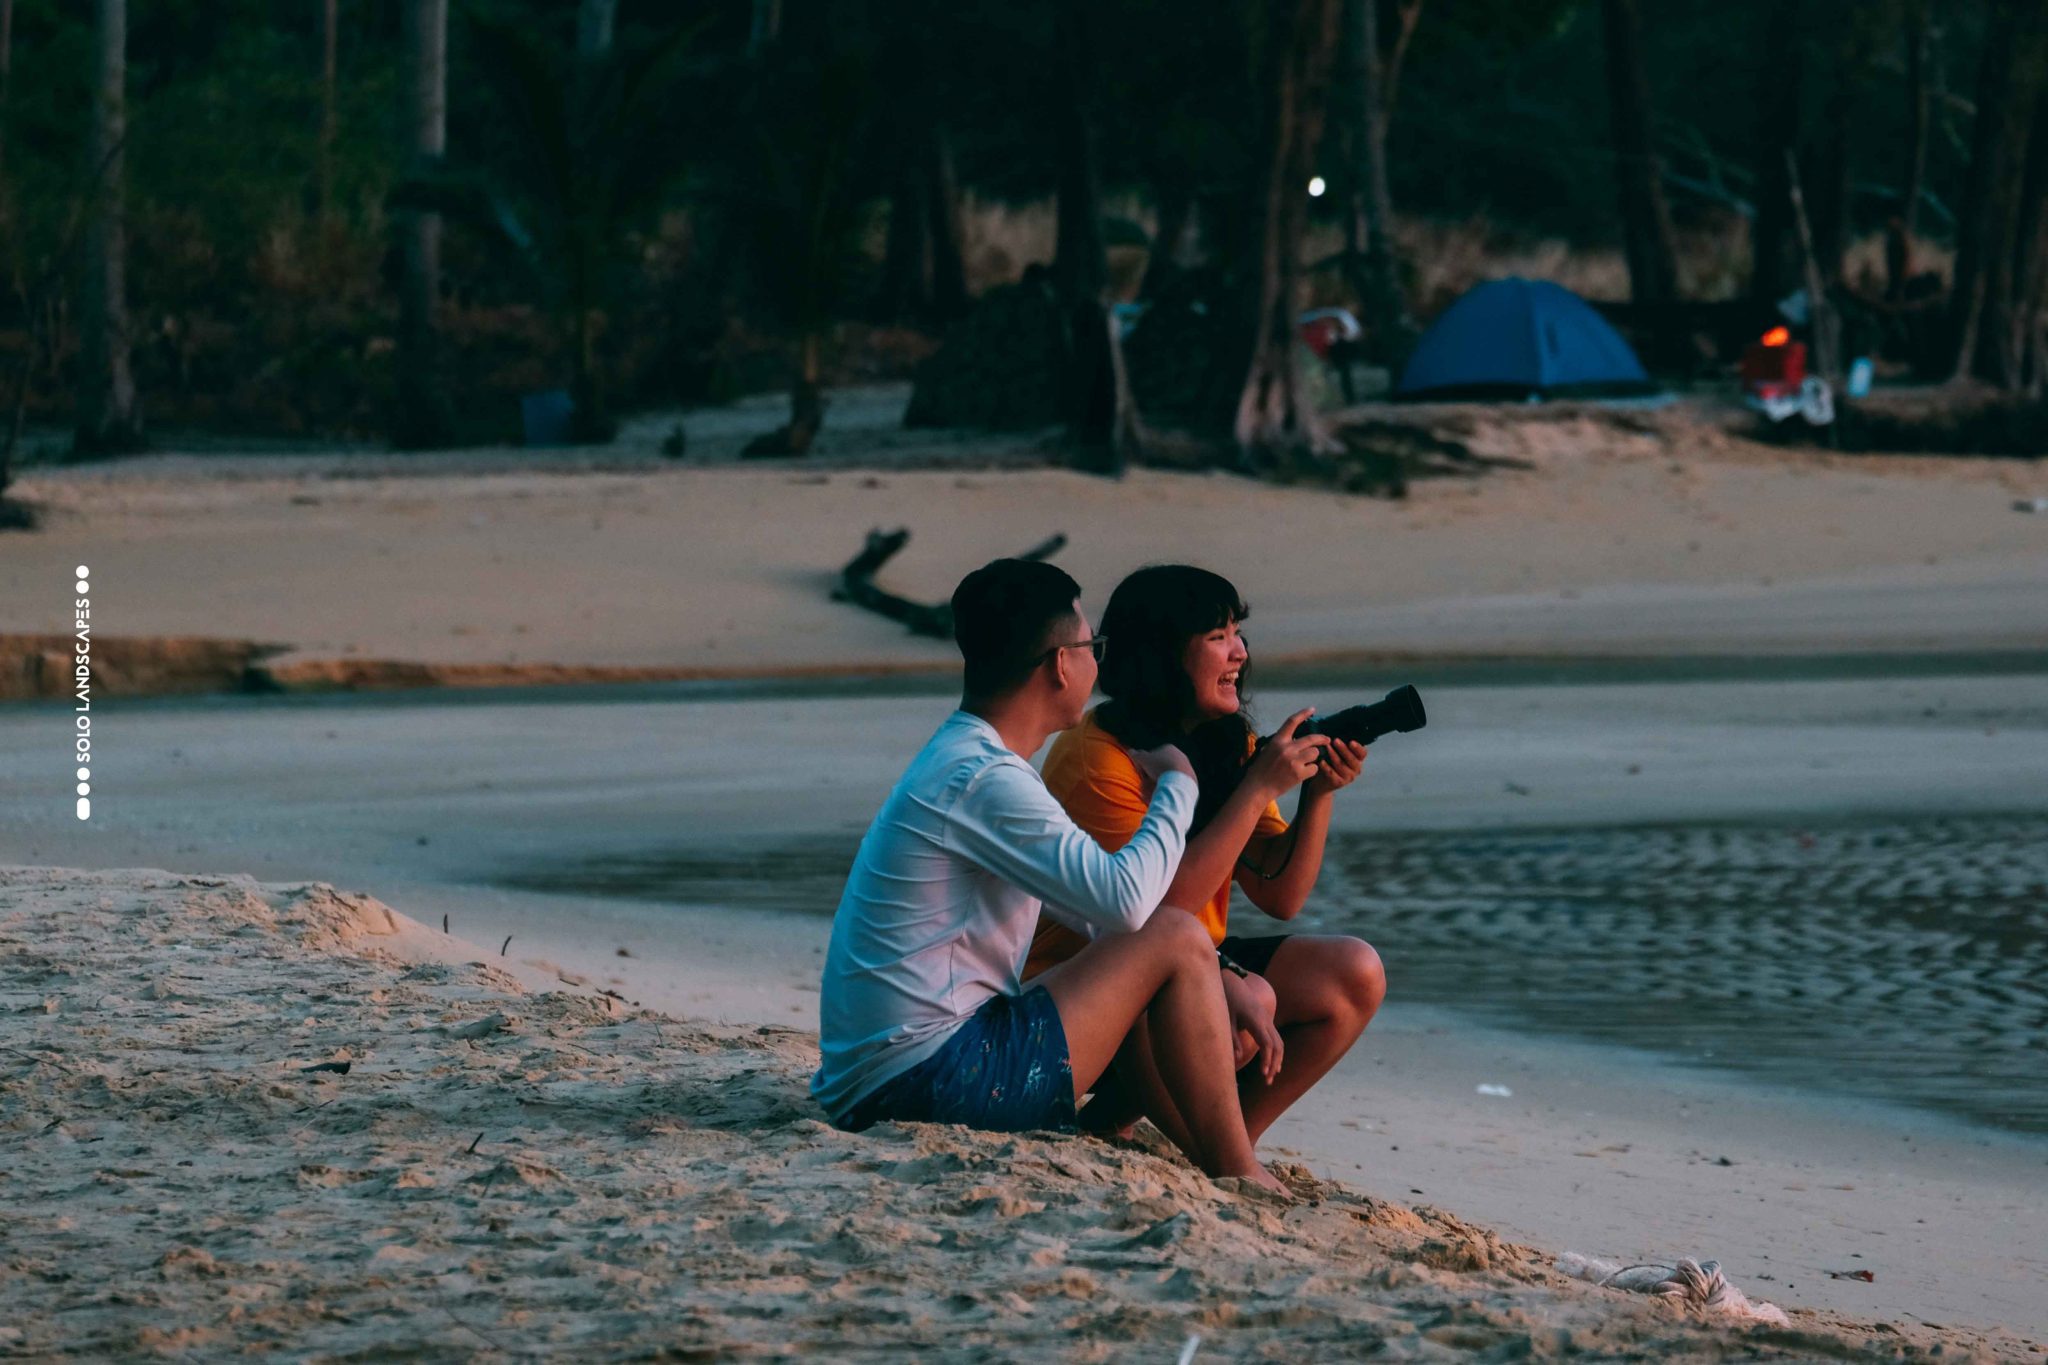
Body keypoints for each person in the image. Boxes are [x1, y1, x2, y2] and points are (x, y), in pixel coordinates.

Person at [811, 558, 1322, 1192]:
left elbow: (1097, 913)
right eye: (1092, 648)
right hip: (927, 1082)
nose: (1099, 666)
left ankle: (1216, 1149)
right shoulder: (986, 779)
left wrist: (1227, 974)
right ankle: (1237, 1169)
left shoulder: (969, 760)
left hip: (886, 1078)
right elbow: (1134, 907)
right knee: (1172, 933)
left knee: (1175, 940)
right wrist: (1178, 783)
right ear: (1059, 664)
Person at [1023, 564, 1386, 1148]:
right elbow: (1148, 917)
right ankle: (1210, 1148)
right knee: (1234, 1011)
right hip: (1089, 985)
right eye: (1218, 637)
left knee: (1352, 973)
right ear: (1163, 654)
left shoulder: (1226, 743)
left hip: (1191, 960)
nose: (1239, 653)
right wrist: (1258, 790)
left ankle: (1229, 1137)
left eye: (1238, 633)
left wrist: (1317, 795)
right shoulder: (1101, 757)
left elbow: (1280, 897)